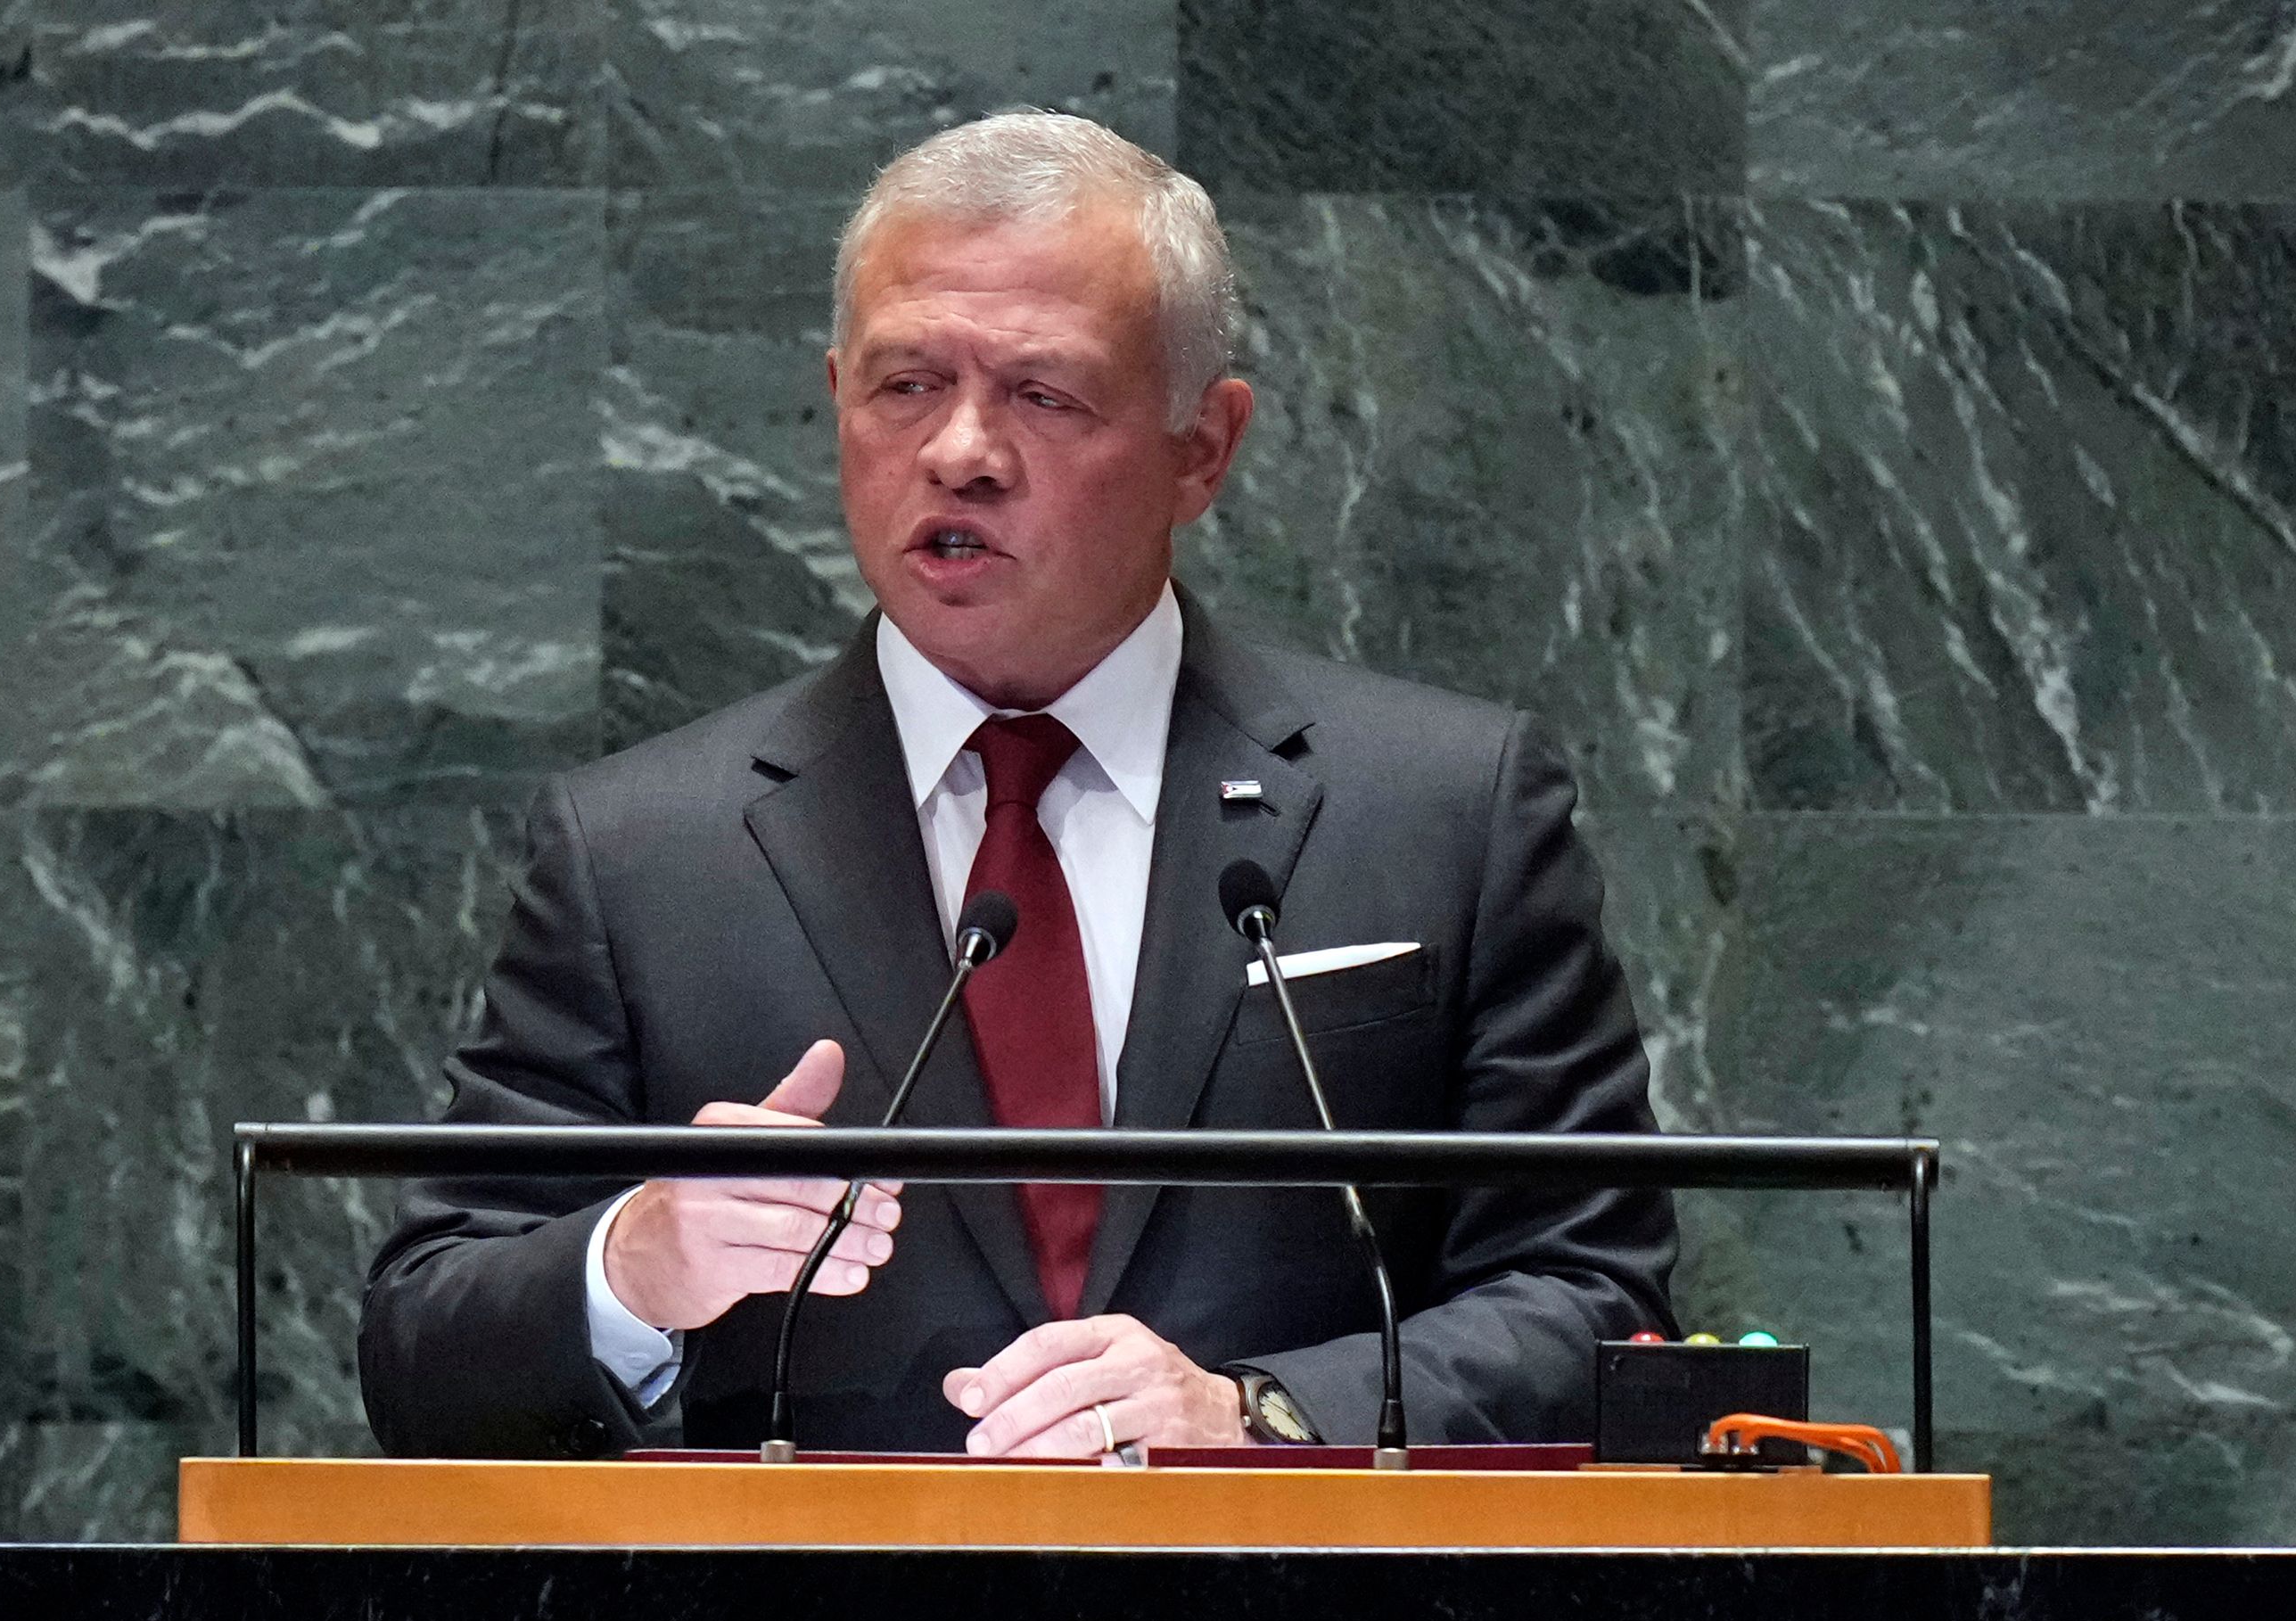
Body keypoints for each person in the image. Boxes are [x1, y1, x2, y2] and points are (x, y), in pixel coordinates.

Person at [359, 111, 1675, 1461]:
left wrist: (1262, 1417)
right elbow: (422, 1352)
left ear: (1202, 449)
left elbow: (1599, 1302)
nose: (960, 452)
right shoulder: (640, 855)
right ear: (834, 401)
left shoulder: (1447, 807)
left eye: (1043, 394)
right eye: (905, 385)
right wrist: (631, 1267)